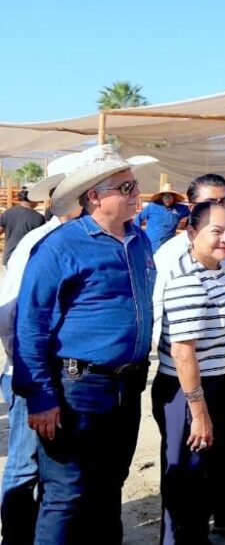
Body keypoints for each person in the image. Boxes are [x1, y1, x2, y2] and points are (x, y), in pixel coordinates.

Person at [13, 145, 156, 544]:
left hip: (127, 385)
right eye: (125, 186)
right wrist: (40, 395)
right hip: (77, 387)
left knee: (109, 486)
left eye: (134, 184)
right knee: (66, 494)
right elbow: (31, 323)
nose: (135, 192)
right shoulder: (60, 246)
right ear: (94, 195)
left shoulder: (139, 241)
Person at [153, 172, 225, 537]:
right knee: (186, 474)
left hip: (224, 378)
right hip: (191, 387)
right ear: (192, 226)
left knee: (214, 463)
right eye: (214, 227)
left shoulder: (222, 264)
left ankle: (221, 520)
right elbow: (182, 351)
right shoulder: (182, 271)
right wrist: (198, 410)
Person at [136, 183, 191, 252]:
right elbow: (138, 218)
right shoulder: (152, 206)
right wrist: (138, 234)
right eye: (166, 196)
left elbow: (193, 209)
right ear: (162, 197)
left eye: (170, 197)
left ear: (173, 198)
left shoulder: (179, 209)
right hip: (149, 245)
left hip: (166, 247)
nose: (168, 199)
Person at [0, 187, 46, 265]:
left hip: (8, 258)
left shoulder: (8, 212)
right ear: (32, 198)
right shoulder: (38, 218)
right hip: (24, 261)